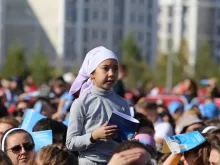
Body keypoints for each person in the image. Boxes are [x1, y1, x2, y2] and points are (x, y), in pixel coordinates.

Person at [66, 46, 131, 165]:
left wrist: (130, 141)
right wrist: (94, 135)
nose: (111, 74)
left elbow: (124, 139)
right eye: (105, 68)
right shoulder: (81, 103)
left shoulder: (122, 103)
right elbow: (70, 143)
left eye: (115, 69)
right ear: (92, 74)